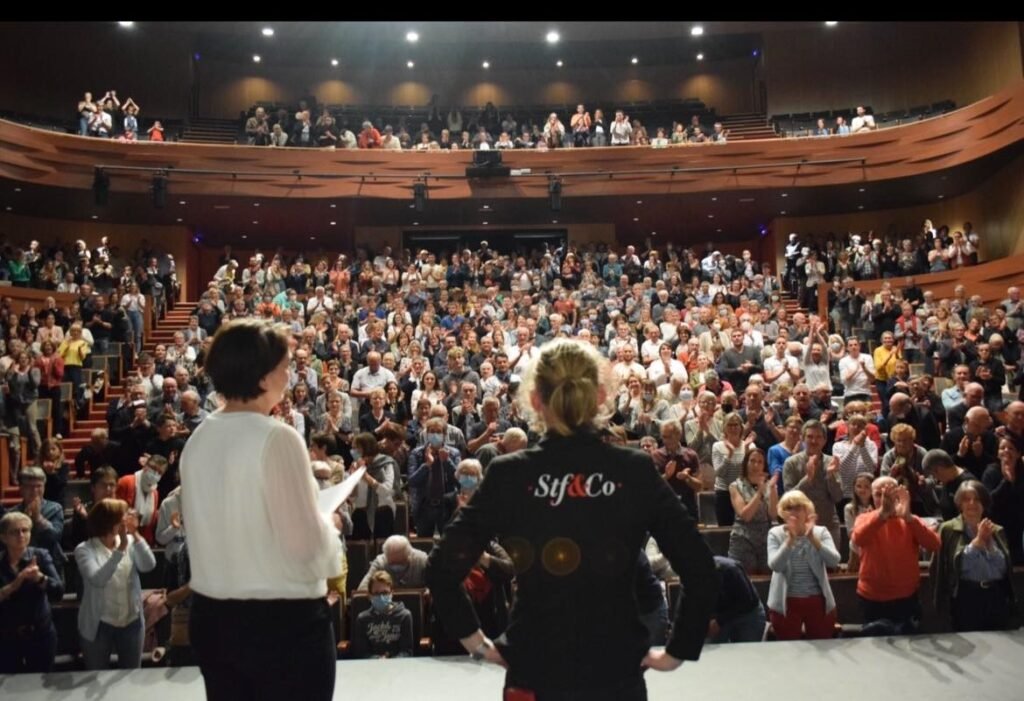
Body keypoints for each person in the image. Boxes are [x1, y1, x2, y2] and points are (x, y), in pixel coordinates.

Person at [426, 338, 718, 701]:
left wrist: (478, 644)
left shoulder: (509, 474)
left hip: (533, 669)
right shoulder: (634, 469)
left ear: (535, 400)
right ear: (600, 397)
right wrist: (677, 652)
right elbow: (701, 568)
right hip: (616, 673)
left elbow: (441, 568)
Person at [180, 320, 343, 701]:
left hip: (213, 617)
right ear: (263, 375)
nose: (290, 374)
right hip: (281, 625)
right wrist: (329, 524)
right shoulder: (277, 436)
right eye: (285, 366)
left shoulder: (200, 437)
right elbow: (306, 548)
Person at [852, 476, 941, 636]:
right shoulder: (864, 518)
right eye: (879, 495)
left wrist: (908, 518)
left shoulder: (911, 521)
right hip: (872, 598)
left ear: (899, 496)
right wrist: (882, 515)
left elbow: (934, 544)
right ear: (872, 497)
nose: (884, 499)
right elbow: (858, 538)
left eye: (890, 494)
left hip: (905, 598)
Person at [74, 498, 157, 669]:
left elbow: (149, 565)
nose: (128, 518)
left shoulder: (131, 541)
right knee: (96, 675)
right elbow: (98, 579)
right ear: (109, 522)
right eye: (124, 516)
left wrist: (135, 534)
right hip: (99, 625)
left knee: (131, 674)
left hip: (131, 622)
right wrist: (120, 550)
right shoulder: (84, 549)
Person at [933, 481, 1020, 632]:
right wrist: (977, 543)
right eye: (966, 499)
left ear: (984, 504)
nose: (972, 503)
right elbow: (958, 566)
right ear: (960, 504)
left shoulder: (997, 530)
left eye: (977, 499)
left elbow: (1002, 568)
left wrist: (990, 545)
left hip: (995, 596)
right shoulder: (948, 529)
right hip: (966, 598)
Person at [766, 490, 841, 640]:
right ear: (782, 512)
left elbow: (834, 561)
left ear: (807, 510)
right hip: (785, 602)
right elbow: (775, 565)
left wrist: (812, 539)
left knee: (822, 648)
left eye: (798, 507)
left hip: (818, 601)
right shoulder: (775, 533)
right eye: (788, 508)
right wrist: (789, 541)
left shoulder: (820, 532)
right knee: (789, 650)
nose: (793, 512)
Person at [0, 511, 64, 674]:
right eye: (14, 531)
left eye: (25, 530)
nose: (21, 535)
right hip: (7, 637)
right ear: (3, 537)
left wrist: (40, 578)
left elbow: (58, 591)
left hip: (40, 634)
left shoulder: (41, 556)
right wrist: (16, 583)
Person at [728, 447, 778, 574]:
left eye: (760, 462)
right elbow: (746, 515)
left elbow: (773, 515)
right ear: (746, 463)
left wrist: (772, 491)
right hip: (743, 538)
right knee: (743, 580)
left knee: (767, 579)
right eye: (752, 461)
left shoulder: (770, 486)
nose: (756, 465)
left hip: (765, 538)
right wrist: (759, 493)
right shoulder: (735, 486)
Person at [350, 570, 414, 659]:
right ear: (369, 595)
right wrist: (378, 659)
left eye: (385, 593)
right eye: (376, 593)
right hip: (371, 667)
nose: (381, 597)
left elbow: (407, 651)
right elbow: (361, 653)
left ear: (392, 593)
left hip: (398, 666)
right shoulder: (362, 619)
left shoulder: (404, 616)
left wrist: (391, 661)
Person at [358, 535, 429, 590]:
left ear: (409, 556)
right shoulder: (380, 562)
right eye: (392, 563)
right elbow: (362, 589)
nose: (396, 567)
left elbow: (437, 585)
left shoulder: (422, 560)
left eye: (400, 563)